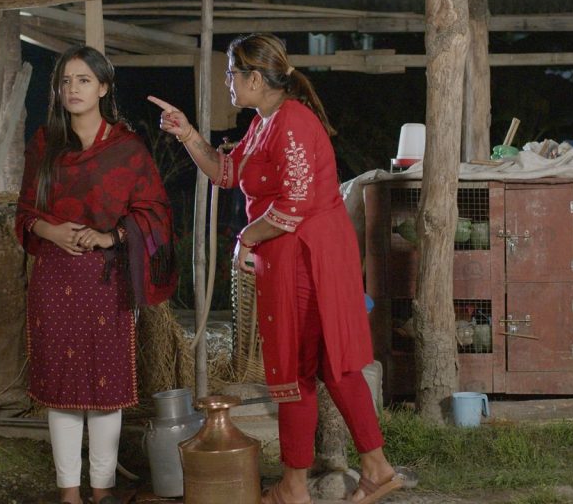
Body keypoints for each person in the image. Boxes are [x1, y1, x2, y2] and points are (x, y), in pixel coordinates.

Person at [148, 33, 401, 504]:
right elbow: (226, 173)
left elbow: (294, 205)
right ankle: (357, 472)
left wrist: (246, 237)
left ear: (255, 78)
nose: (228, 82)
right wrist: (187, 134)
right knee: (311, 368)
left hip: (308, 257)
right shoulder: (264, 123)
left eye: (231, 74)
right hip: (292, 256)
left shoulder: (293, 122)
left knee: (311, 367)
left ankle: (307, 483)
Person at [16, 45, 176, 504]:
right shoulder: (45, 143)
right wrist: (49, 229)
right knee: (62, 387)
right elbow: (25, 211)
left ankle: (102, 491)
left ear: (103, 87)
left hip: (107, 280)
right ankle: (69, 492)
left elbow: (156, 213)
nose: (73, 89)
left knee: (107, 389)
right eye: (65, 81)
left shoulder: (127, 149)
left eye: (83, 80)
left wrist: (111, 237)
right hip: (54, 276)